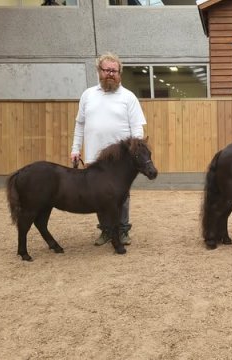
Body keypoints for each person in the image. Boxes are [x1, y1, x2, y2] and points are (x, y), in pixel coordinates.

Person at [71, 52, 146, 246]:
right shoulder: (87, 95)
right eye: (106, 70)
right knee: (97, 195)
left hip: (120, 160)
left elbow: (137, 128)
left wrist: (136, 152)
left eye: (114, 70)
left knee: (122, 196)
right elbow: (80, 124)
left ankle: (122, 231)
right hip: (94, 157)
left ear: (120, 73)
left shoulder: (128, 97)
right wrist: (75, 149)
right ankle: (106, 230)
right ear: (99, 71)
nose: (110, 74)